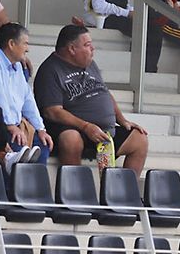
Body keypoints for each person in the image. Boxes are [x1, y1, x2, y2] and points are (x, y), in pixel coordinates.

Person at [33, 24, 150, 171]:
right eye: (87, 45)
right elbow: (52, 111)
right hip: (74, 129)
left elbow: (104, 92)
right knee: (71, 139)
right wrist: (86, 126)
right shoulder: (50, 70)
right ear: (71, 49)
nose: (92, 49)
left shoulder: (90, 64)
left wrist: (122, 120)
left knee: (140, 139)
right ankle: (74, 191)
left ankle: (125, 191)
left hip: (104, 131)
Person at [0, 24, 51, 161]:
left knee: (43, 145)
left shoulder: (18, 65)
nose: (28, 49)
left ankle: (32, 183)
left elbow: (27, 99)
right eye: (25, 43)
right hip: (0, 126)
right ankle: (15, 183)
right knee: (18, 146)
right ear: (12, 44)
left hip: (16, 125)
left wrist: (41, 128)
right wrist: (11, 126)